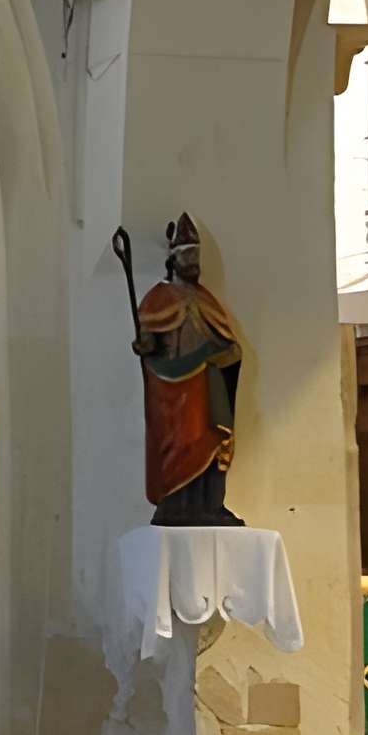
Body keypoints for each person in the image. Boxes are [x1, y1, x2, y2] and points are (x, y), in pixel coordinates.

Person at [131, 213, 243, 525]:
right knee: (178, 448)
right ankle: (176, 506)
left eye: (196, 256)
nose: (193, 263)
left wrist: (225, 354)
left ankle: (210, 505)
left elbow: (230, 345)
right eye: (187, 256)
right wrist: (145, 345)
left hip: (206, 386)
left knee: (210, 441)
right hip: (171, 388)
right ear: (174, 259)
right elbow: (148, 342)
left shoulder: (206, 299)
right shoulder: (158, 297)